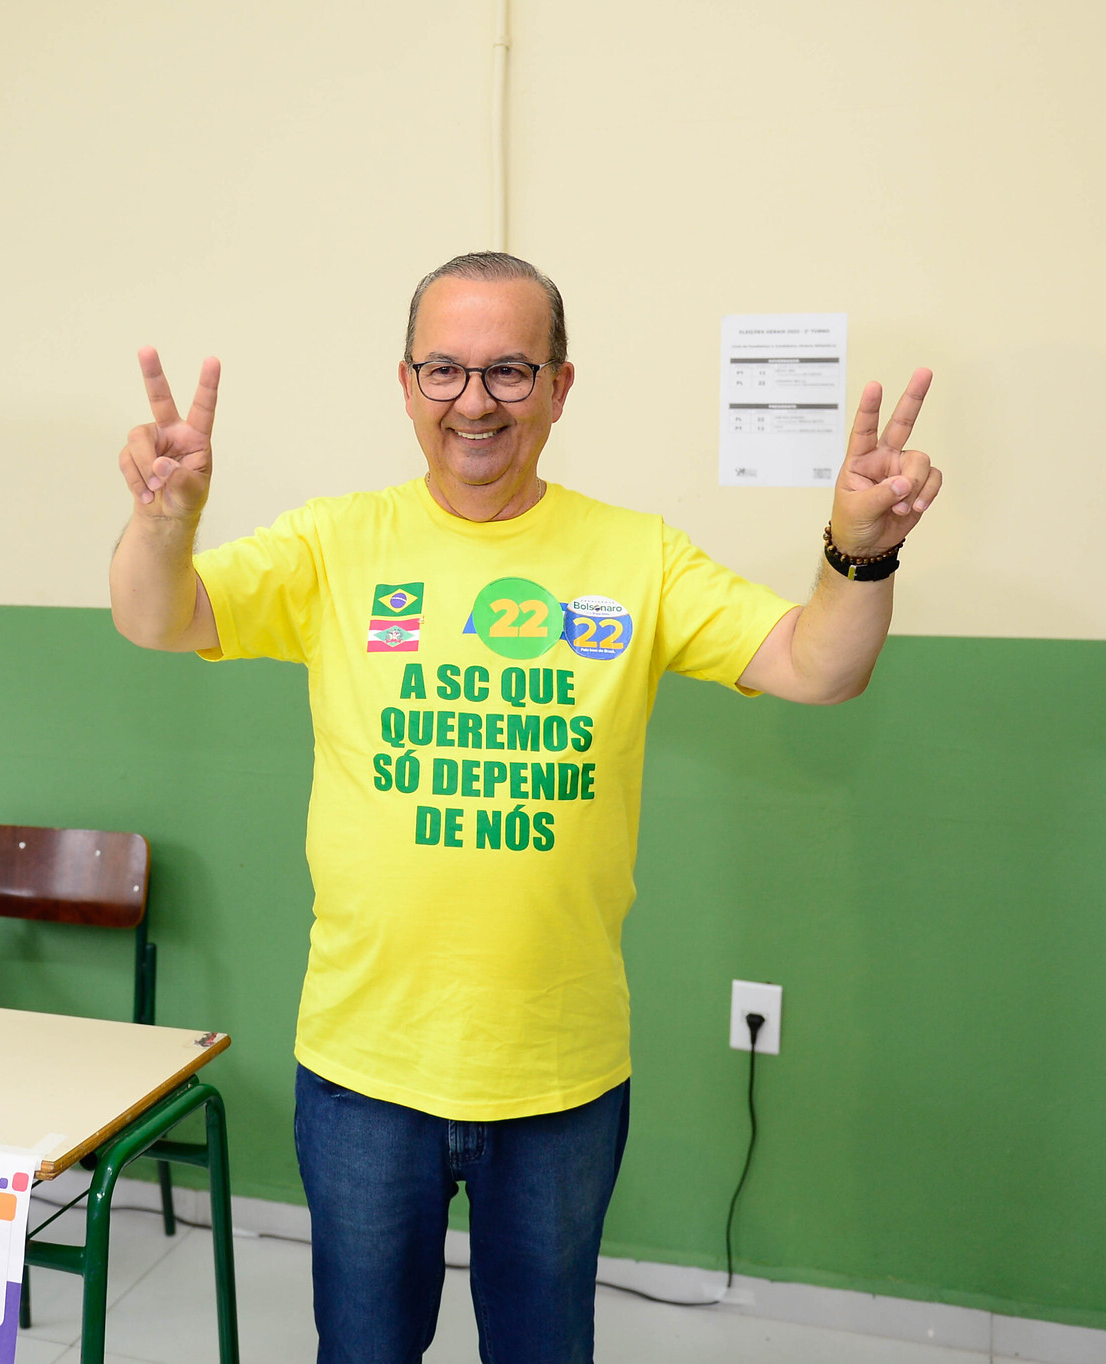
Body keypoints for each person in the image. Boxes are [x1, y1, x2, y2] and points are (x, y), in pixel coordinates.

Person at [107, 251, 941, 1364]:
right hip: (365, 1068)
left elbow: (818, 665)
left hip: (558, 1074)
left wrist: (861, 551)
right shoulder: (333, 542)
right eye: (443, 369)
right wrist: (164, 519)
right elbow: (157, 617)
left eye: (508, 369)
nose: (474, 401)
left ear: (558, 386)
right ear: (406, 384)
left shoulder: (635, 554)